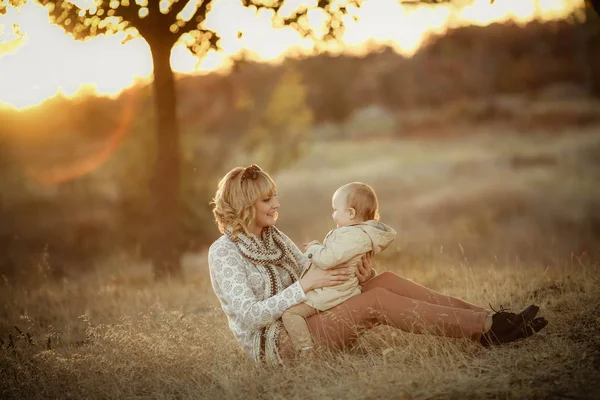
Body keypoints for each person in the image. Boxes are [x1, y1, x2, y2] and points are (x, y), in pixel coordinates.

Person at [208, 164, 548, 365]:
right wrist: (305, 286)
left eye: (275, 196)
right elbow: (248, 316)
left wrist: (357, 274)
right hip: (281, 345)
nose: (277, 204)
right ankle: (486, 331)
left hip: (312, 312)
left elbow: (308, 272)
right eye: (268, 199)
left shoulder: (274, 236)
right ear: (245, 204)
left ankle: (493, 318)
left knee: (383, 281)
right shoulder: (223, 253)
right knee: (377, 302)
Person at [281, 182, 397, 353]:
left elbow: (329, 259)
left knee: (290, 313)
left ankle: (305, 350)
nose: (332, 214)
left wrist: (314, 248)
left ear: (351, 213)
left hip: (332, 292)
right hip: (336, 289)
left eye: (335, 210)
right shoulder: (356, 234)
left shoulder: (353, 236)